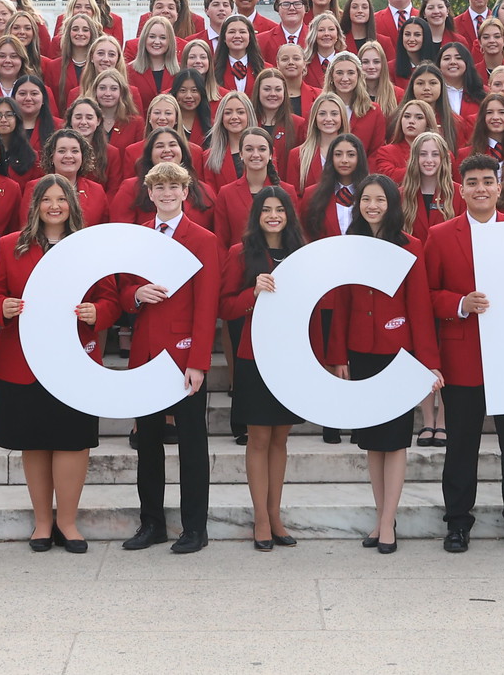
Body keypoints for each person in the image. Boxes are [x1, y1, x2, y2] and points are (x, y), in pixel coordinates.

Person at [425, 152, 504, 553]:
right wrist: (460, 303)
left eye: (487, 181)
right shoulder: (442, 235)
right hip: (464, 357)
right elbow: (427, 295)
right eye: (473, 182)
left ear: (500, 186)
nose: (481, 188)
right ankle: (458, 523)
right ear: (461, 190)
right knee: (461, 445)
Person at [0, 173, 117, 552]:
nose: (55, 205)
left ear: (72, 205)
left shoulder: (90, 249)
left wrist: (98, 312)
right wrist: (2, 308)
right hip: (23, 362)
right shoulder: (10, 246)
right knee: (35, 442)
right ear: (35, 205)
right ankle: (42, 523)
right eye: (47, 199)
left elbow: (110, 299)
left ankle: (68, 523)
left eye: (62, 199)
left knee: (73, 442)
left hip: (75, 361)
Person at [325, 176, 441, 553]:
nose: (372, 206)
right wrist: (338, 355)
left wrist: (428, 363)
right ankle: (380, 518)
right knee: (373, 443)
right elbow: (340, 304)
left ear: (392, 204)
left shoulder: (411, 246)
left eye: (379, 200)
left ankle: (388, 522)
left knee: (394, 442)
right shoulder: (349, 246)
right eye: (366, 199)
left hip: (398, 355)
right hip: (361, 352)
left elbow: (420, 308)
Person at [117, 161, 221, 554]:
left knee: (192, 444)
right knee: (148, 443)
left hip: (182, 357)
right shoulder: (139, 235)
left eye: (172, 187)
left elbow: (207, 304)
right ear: (149, 193)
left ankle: (195, 527)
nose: (165, 193)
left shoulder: (203, 238)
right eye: (158, 187)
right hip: (144, 353)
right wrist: (135, 296)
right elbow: (125, 284)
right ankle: (152, 523)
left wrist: (198, 361)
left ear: (185, 192)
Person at [220, 186, 308, 548]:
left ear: (289, 215)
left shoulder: (303, 254)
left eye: (280, 209)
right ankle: (259, 518)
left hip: (291, 357)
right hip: (254, 356)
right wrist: (251, 294)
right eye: (266, 209)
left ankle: (275, 515)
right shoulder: (240, 253)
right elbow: (225, 307)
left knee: (281, 438)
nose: (274, 215)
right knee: (258, 437)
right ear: (256, 215)